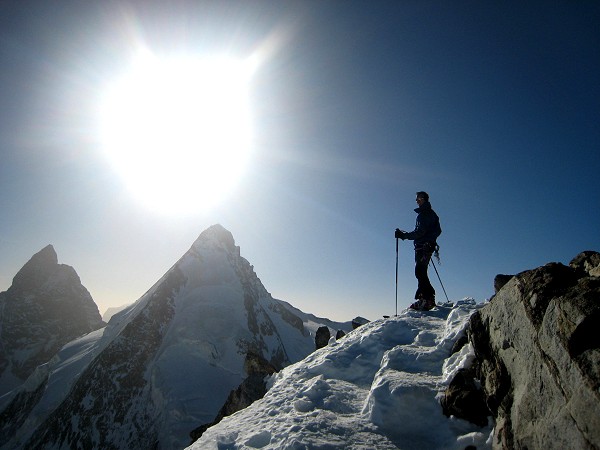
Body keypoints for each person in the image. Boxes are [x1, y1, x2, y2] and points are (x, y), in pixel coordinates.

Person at [395, 191, 441, 311]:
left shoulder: (424, 214)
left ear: (424, 199)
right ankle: (427, 298)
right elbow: (438, 230)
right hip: (427, 246)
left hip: (423, 246)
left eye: (418, 199)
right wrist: (431, 240)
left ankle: (426, 299)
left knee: (420, 271)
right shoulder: (432, 214)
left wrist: (403, 236)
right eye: (417, 199)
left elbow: (420, 232)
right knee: (421, 271)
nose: (417, 201)